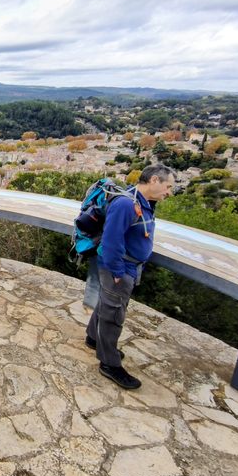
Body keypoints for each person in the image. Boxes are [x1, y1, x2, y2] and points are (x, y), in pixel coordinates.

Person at [86, 164, 176, 390]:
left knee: (107, 305)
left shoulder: (143, 203)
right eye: (168, 186)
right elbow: (111, 241)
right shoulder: (127, 204)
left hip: (127, 267)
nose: (169, 192)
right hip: (119, 268)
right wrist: (117, 273)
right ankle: (109, 363)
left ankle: (93, 338)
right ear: (154, 180)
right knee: (113, 315)